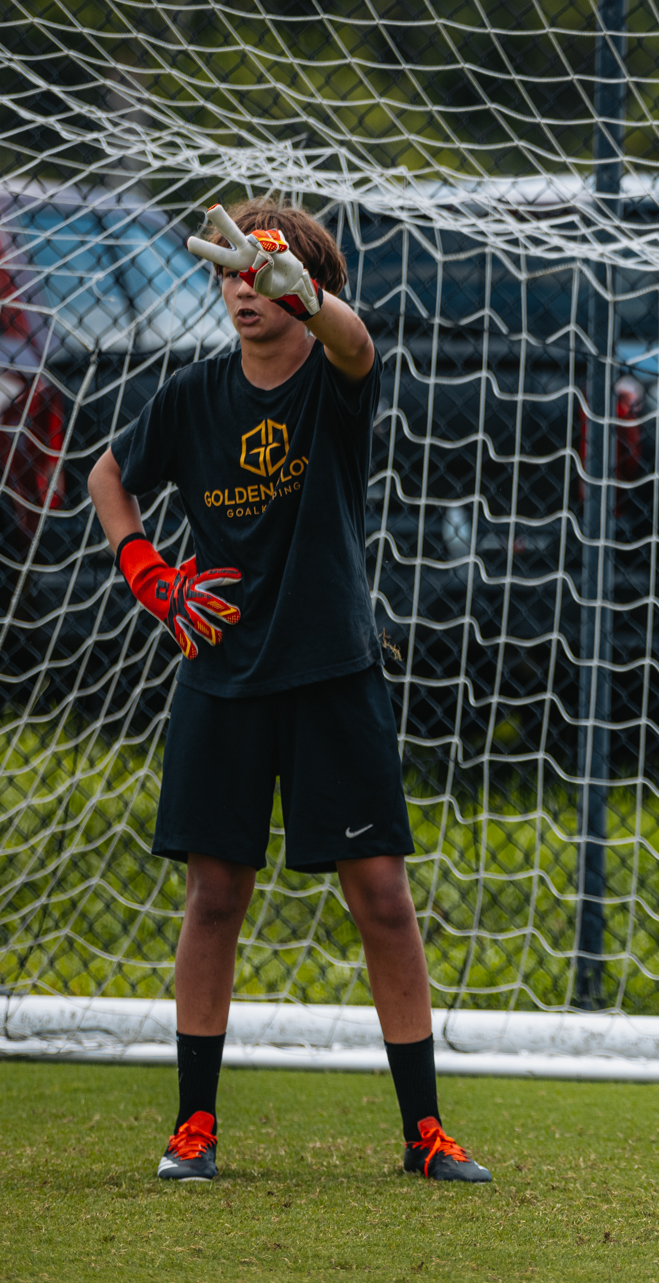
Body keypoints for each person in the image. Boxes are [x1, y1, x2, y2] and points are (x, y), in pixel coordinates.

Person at [87, 200, 489, 1185]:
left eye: (261, 272)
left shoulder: (333, 375)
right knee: (214, 894)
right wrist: (146, 570)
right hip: (222, 673)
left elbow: (355, 340)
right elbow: (108, 475)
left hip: (332, 671)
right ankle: (193, 1127)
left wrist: (298, 282)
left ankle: (424, 1133)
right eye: (230, 273)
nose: (244, 288)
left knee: (383, 898)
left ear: (302, 292)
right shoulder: (192, 396)